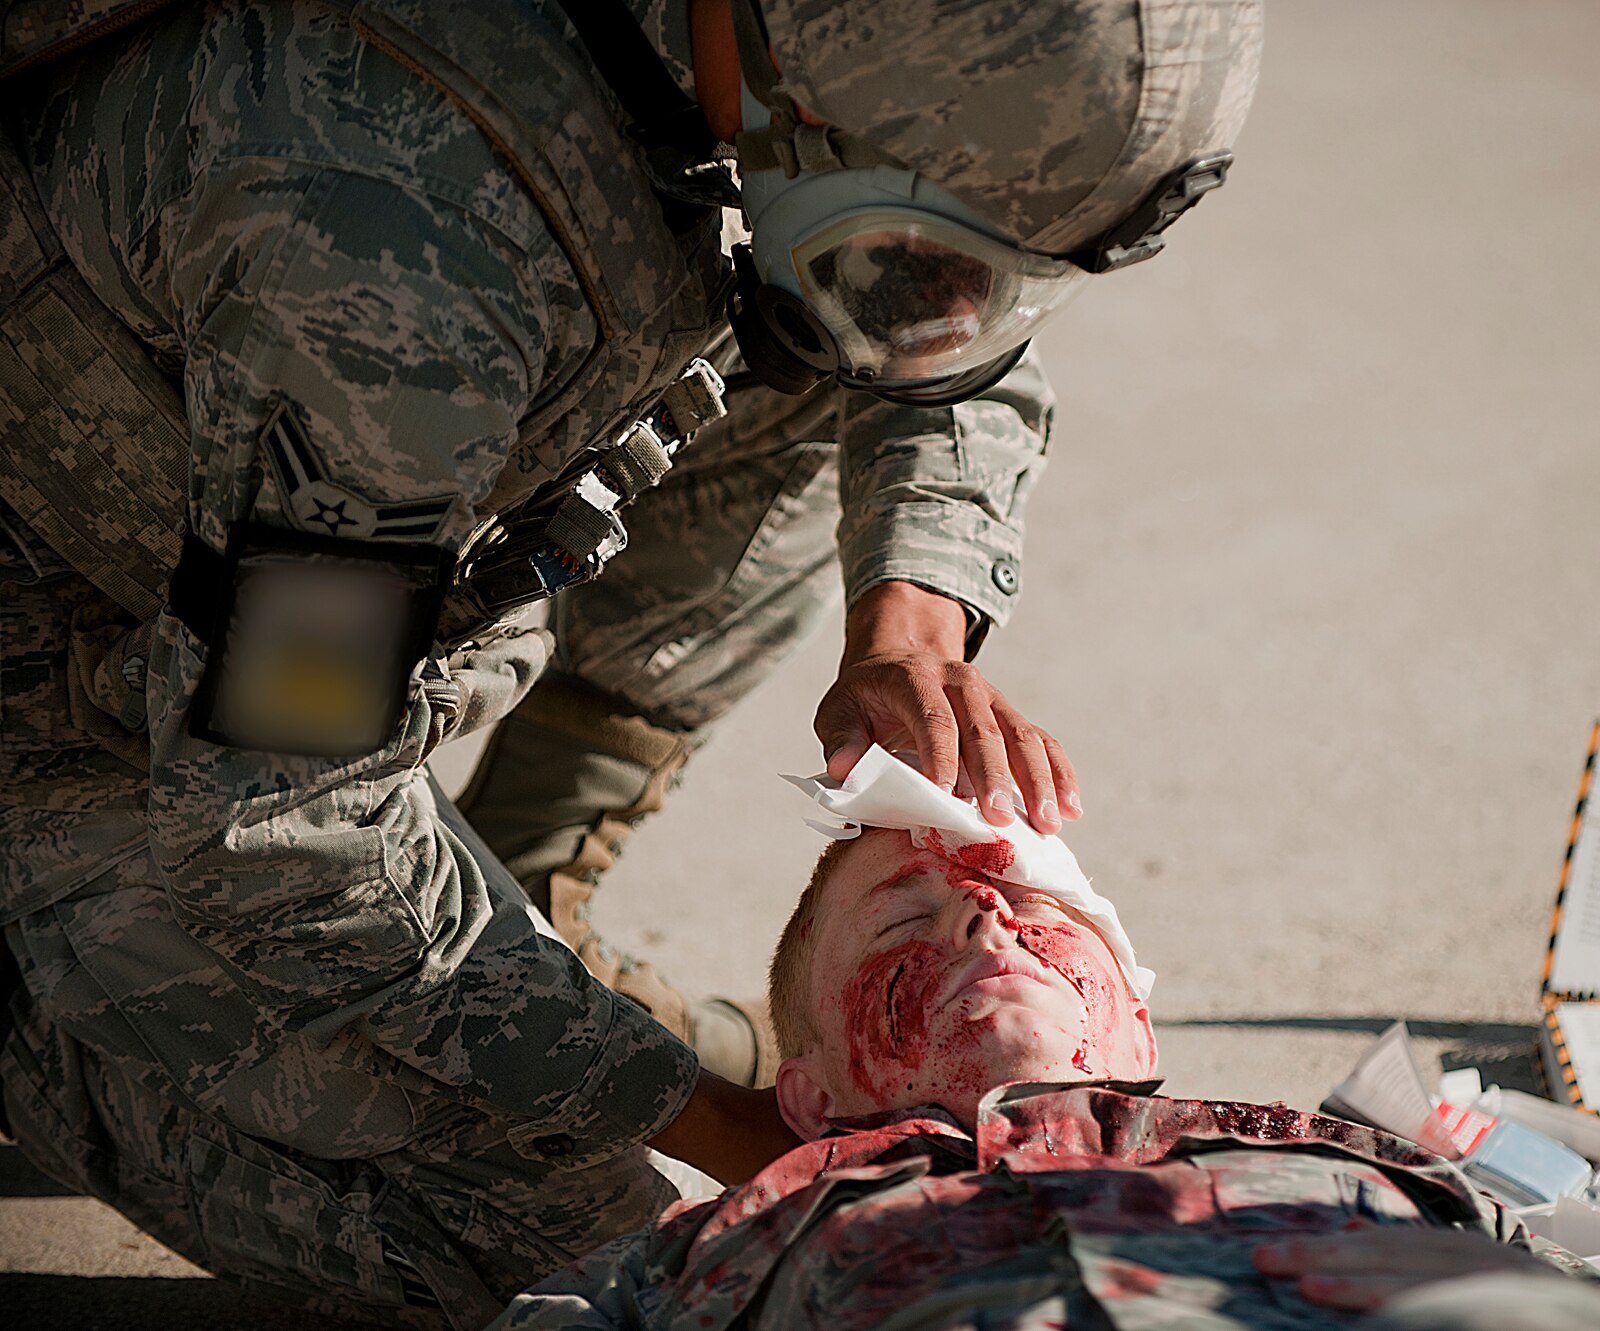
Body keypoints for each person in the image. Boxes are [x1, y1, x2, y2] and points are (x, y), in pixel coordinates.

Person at [0, 0, 1262, 1324]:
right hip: (71, 713)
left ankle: (516, 908)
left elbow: (952, 339)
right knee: (596, 1238)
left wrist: (913, 614)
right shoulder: (386, 261)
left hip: (270, 567)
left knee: (837, 317)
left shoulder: (757, 63)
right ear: (808, 103)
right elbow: (279, 820)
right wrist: (729, 1132)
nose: (982, 908)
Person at [493, 824, 1600, 1330]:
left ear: (1135, 1025)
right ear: (808, 1098)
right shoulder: (725, 1235)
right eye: (904, 914)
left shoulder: (1365, 1164)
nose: (982, 922)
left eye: (1033, 905)